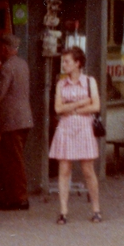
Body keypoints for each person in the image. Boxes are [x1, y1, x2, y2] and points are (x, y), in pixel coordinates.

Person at [49, 46, 102, 223]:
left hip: (84, 128)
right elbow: (58, 108)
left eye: (67, 61)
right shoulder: (61, 84)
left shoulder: (89, 82)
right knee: (64, 169)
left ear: (78, 63)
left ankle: (96, 209)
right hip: (65, 129)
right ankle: (63, 211)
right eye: (63, 61)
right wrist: (81, 103)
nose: (64, 65)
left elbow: (96, 106)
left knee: (88, 169)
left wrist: (70, 108)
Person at [0, 35, 34, 210]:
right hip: (24, 119)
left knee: (14, 160)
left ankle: (20, 198)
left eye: (0, 49)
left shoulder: (6, 68)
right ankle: (0, 195)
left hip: (11, 121)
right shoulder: (22, 64)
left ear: (5, 49)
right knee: (7, 159)